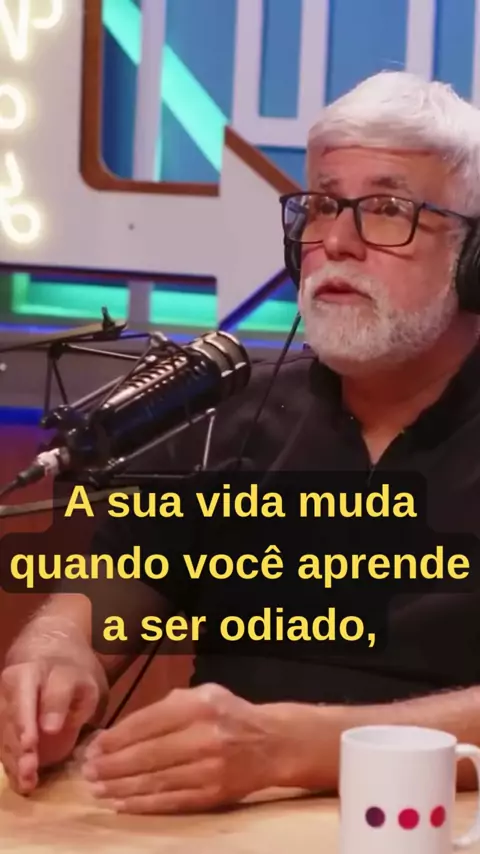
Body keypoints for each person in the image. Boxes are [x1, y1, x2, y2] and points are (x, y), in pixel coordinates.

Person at [3, 69, 480, 815]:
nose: (336, 241)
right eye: (322, 205)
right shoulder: (228, 411)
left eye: (388, 209)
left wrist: (290, 747)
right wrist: (57, 654)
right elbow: (111, 592)